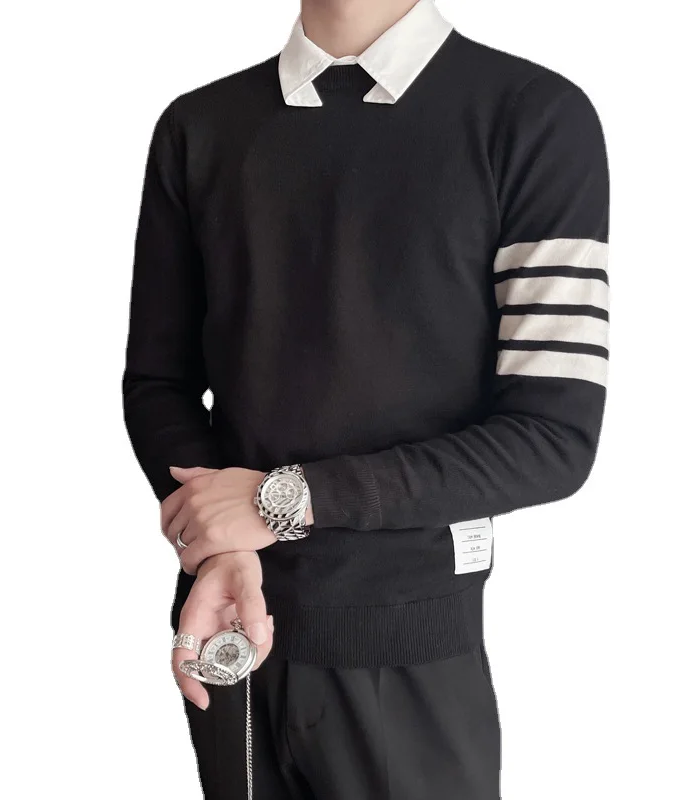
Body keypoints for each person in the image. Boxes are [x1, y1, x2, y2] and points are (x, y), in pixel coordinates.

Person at [122, 0, 609, 796]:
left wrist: (285, 500)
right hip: (229, 628)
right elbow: (158, 383)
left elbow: (553, 437)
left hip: (410, 651)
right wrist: (222, 547)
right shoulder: (199, 125)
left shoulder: (532, 116)